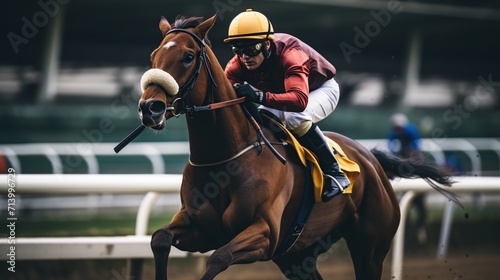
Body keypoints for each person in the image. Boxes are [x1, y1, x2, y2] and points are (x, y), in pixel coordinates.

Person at [223, 9, 349, 202]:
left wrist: (258, 96)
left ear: (266, 44)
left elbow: (299, 101)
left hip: (320, 89)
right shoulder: (237, 64)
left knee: (294, 117)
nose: (245, 56)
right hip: (284, 94)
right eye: (238, 50)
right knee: (263, 120)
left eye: (251, 49)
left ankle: (335, 172)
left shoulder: (291, 54)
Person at [387, 113, 427, 243]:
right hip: (401, 155)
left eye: (399, 128)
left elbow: (417, 145)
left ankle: (421, 228)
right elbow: (390, 146)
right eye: (396, 128)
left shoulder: (411, 130)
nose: (398, 130)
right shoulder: (393, 133)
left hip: (412, 154)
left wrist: (412, 153)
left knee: (418, 158)